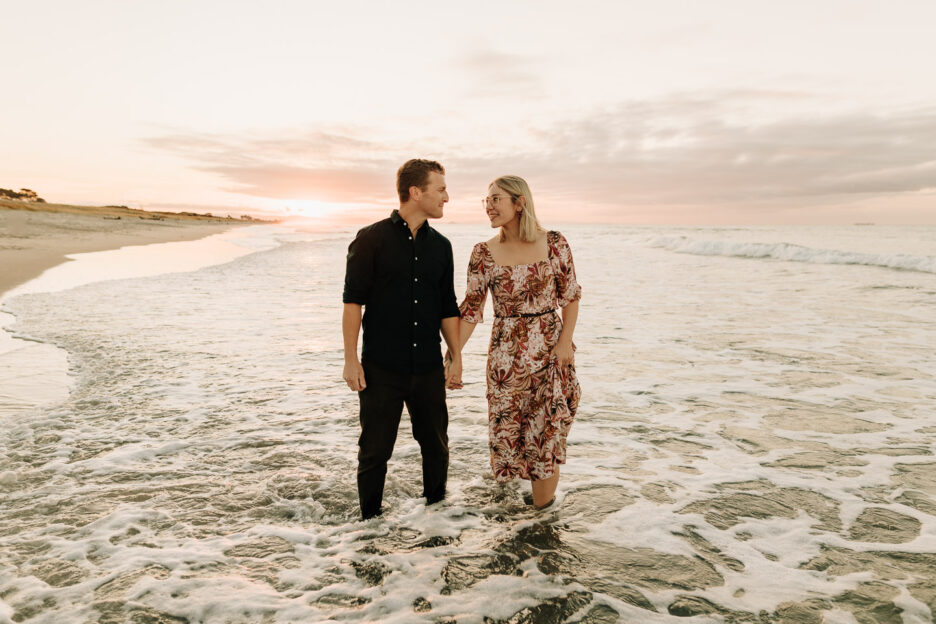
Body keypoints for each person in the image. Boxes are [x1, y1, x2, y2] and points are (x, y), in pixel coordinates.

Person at [446, 175, 581, 509]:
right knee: (511, 435)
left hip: (550, 351)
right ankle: (520, 517)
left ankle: (541, 518)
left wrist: (566, 341)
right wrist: (453, 357)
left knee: (546, 435)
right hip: (506, 359)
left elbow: (571, 296)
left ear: (519, 203)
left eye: (496, 199)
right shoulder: (483, 253)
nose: (488, 206)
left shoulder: (554, 242)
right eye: (486, 200)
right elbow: (471, 311)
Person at [342, 159, 463, 520]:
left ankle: (437, 521)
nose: (447, 196)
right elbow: (353, 303)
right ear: (415, 191)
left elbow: (447, 306)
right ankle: (368, 527)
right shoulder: (370, 239)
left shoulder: (442, 247)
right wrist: (351, 359)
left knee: (437, 447)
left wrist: (455, 355)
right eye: (440, 189)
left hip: (428, 368)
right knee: (375, 452)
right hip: (381, 369)